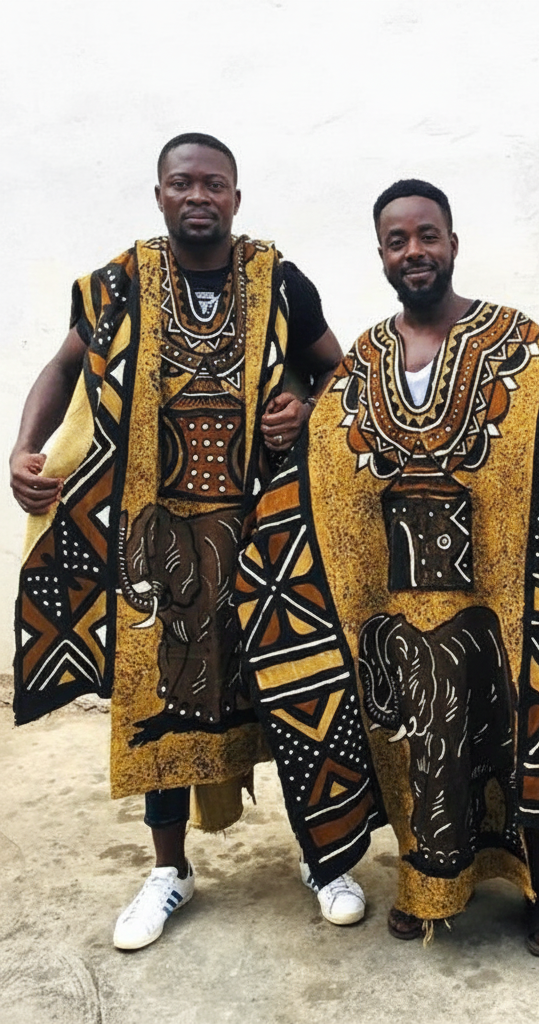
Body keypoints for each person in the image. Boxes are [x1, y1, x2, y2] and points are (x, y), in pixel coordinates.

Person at [234, 179, 539, 955]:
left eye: (427, 235)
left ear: (453, 243)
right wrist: (294, 432)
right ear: (382, 255)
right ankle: (426, 883)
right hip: (398, 592)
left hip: (498, 585)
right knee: (416, 740)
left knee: (515, 723)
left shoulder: (511, 338)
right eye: (398, 241)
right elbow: (327, 444)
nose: (414, 251)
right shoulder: (365, 357)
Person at [10, 132, 363, 949]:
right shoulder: (117, 285)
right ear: (159, 194)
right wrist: (24, 449)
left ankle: (324, 855)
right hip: (156, 523)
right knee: (161, 693)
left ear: (236, 197)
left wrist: (308, 408)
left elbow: (337, 369)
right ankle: (169, 870)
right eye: (182, 183)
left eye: (213, 184)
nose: (198, 196)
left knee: (291, 682)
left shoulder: (280, 280)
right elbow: (62, 369)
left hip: (265, 526)